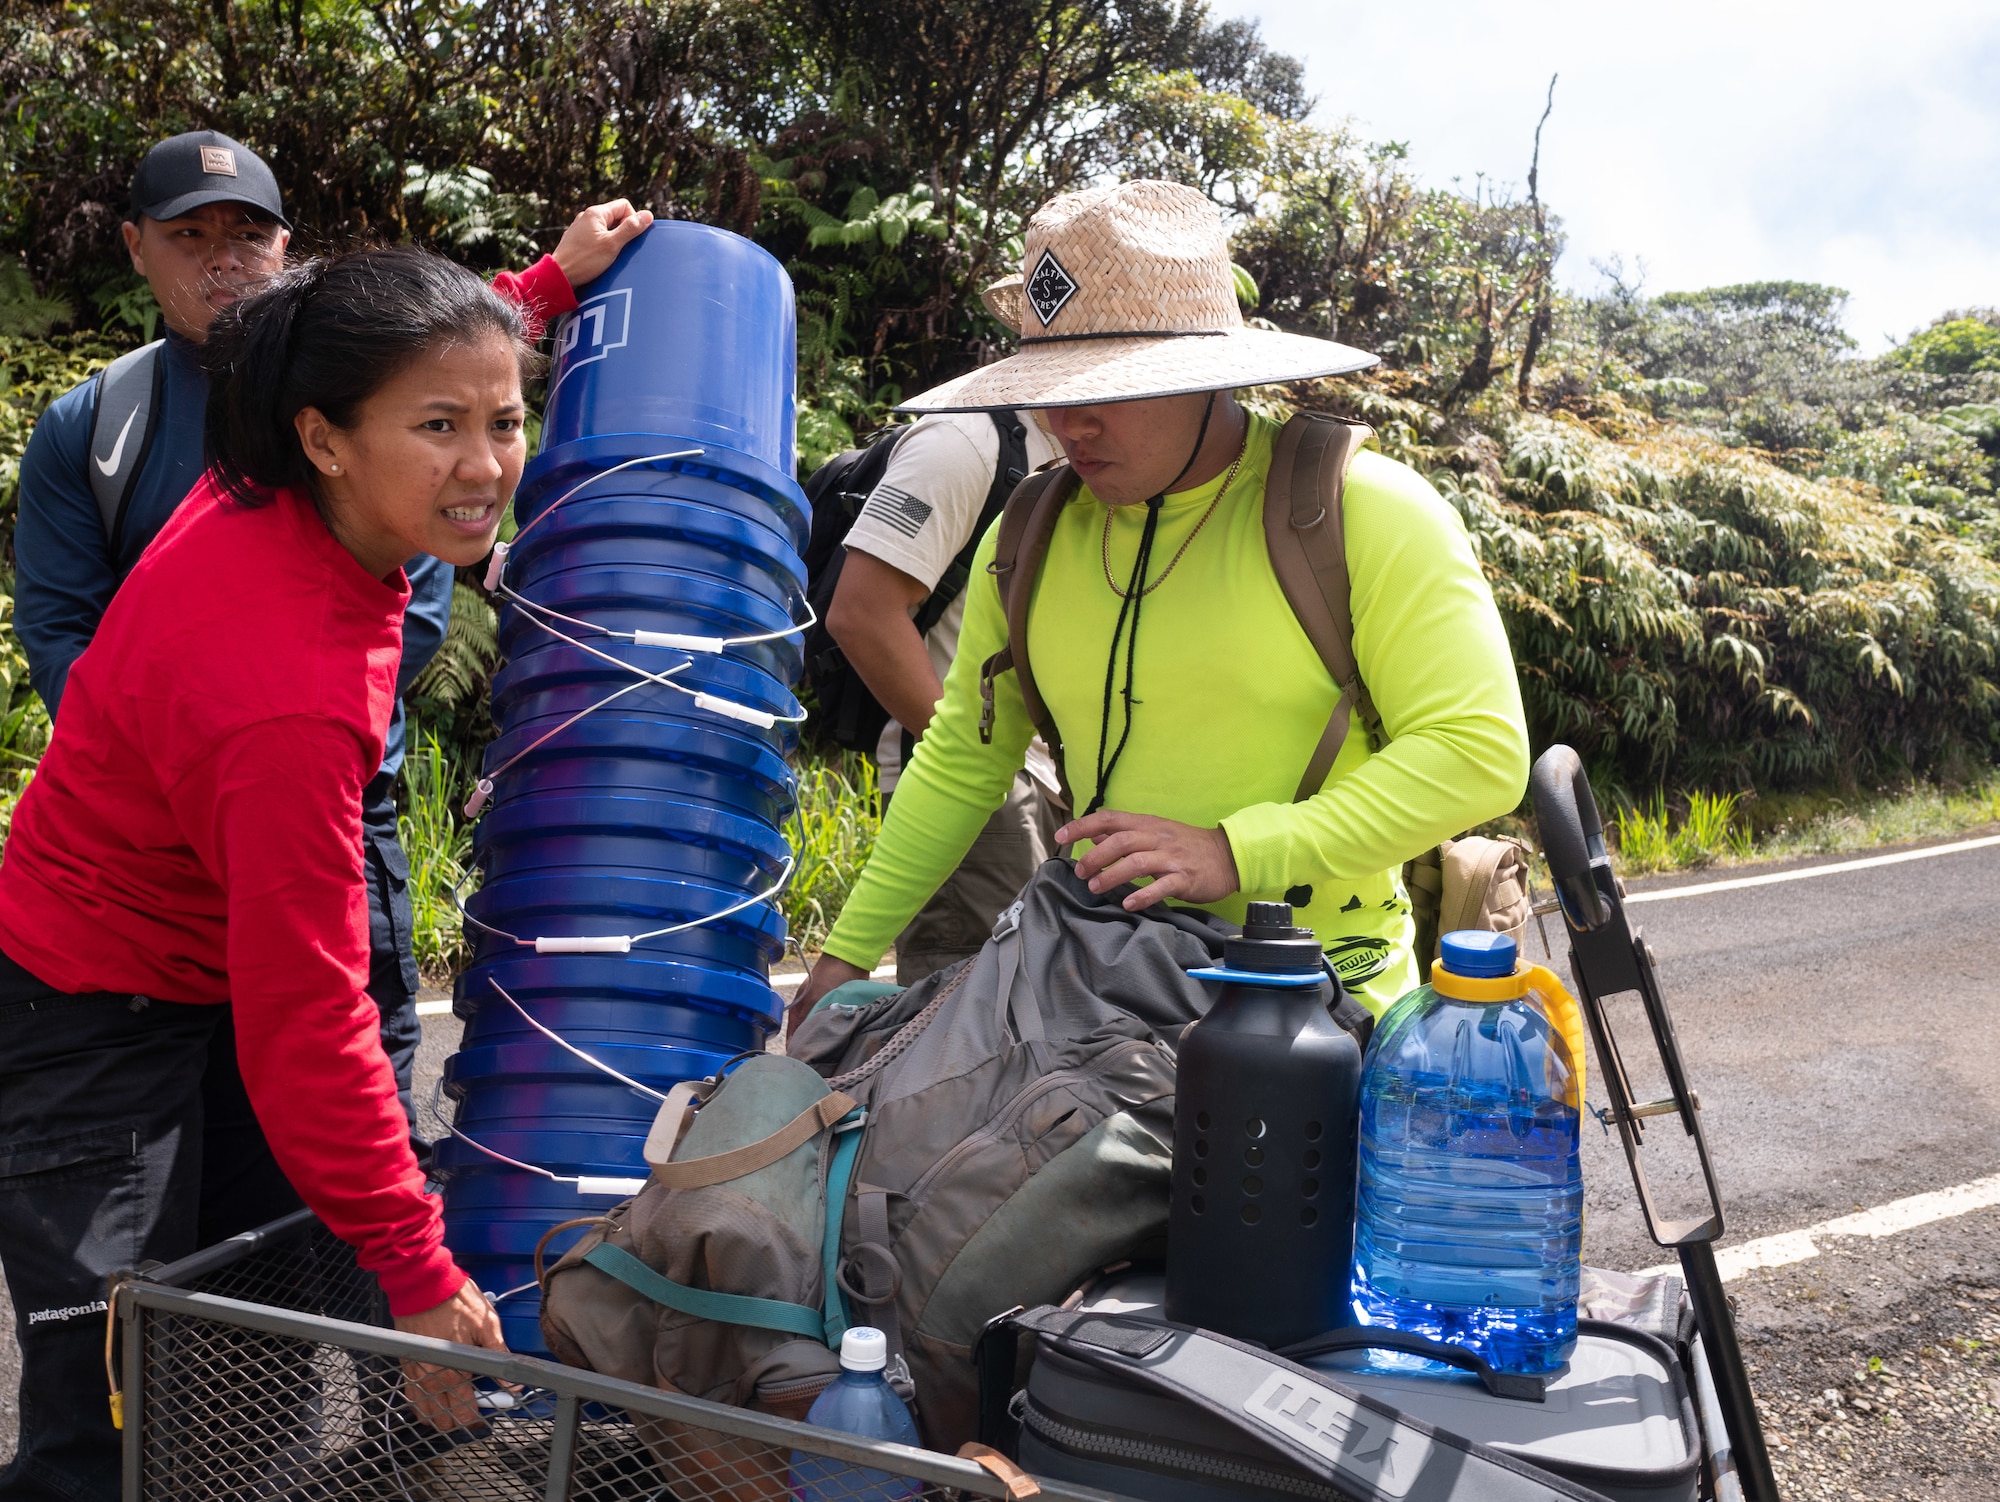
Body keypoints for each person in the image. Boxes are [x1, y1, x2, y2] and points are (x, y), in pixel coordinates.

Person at [0, 246, 529, 1501]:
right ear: (326, 437)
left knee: (252, 1355)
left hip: (207, 964)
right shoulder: (282, 696)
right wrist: (416, 1269)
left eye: (504, 419)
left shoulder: (278, 481)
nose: (485, 465)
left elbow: (367, 349)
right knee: (111, 1410)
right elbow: (308, 1013)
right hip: (88, 999)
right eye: (440, 427)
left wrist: (538, 286)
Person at [12, 129, 651, 1148]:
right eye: (191, 236)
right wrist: (200, 767)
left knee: (332, 1099)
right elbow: (59, 626)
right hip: (167, 842)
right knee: (207, 1127)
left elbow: (432, 373)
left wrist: (545, 282)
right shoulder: (100, 424)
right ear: (135, 246)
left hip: (339, 792)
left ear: (284, 245)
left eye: (249, 232)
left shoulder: (372, 407)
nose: (225, 257)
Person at [790, 179, 1530, 1031]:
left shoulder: (1362, 510)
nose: (1072, 425)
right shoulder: (1028, 534)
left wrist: (1233, 851)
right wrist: (846, 955)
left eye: (1105, 386)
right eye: (1053, 389)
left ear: (1206, 376)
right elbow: (964, 756)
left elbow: (1478, 752)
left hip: (1320, 1005)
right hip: (1105, 992)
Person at [827, 402, 1063, 984]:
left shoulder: (1091, 457)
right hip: (978, 781)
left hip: (1057, 777)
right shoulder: (962, 447)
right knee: (966, 1016)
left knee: (1045, 1008)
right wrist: (974, 763)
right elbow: (862, 612)